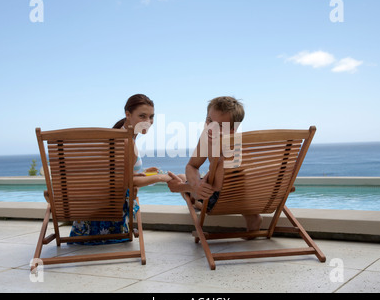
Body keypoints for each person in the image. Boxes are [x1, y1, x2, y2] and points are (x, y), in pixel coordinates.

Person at [70, 94, 173, 244]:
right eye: (142, 116)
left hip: (91, 209)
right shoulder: (124, 140)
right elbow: (123, 182)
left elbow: (115, 176)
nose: (148, 122)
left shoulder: (122, 135)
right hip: (107, 211)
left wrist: (142, 174)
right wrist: (160, 178)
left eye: (151, 117)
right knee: (179, 178)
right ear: (128, 114)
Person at [166, 96, 262, 232]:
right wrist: (196, 184)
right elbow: (192, 166)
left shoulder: (232, 151)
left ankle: (197, 203)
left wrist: (181, 187)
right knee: (185, 177)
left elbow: (215, 188)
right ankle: (251, 218)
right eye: (209, 120)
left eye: (220, 125)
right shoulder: (209, 137)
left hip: (229, 198)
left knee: (182, 183)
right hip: (254, 196)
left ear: (233, 129)